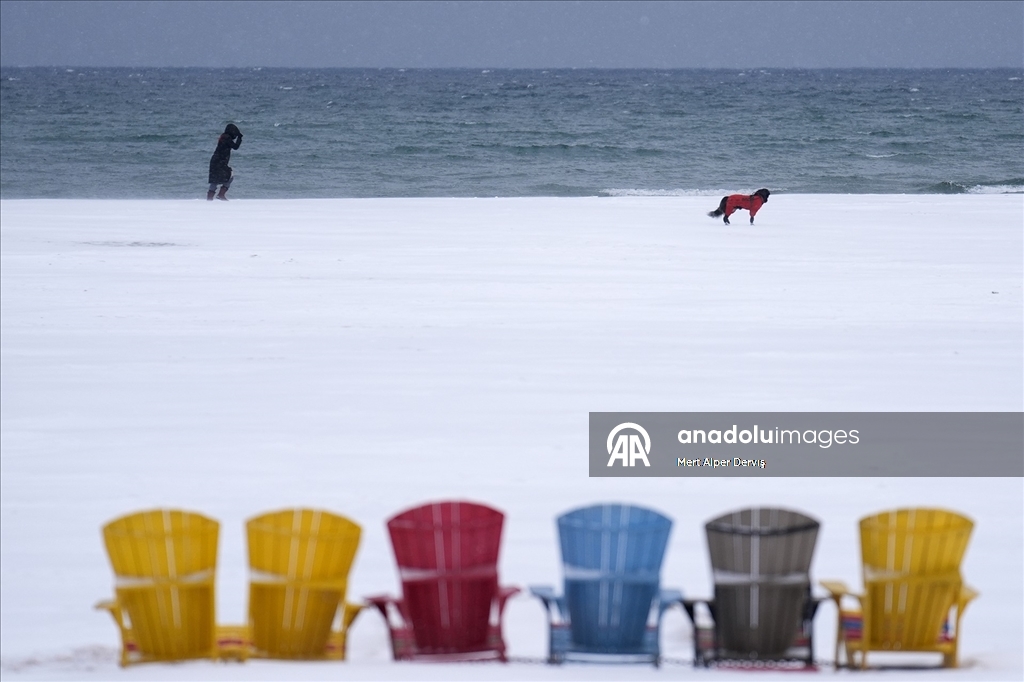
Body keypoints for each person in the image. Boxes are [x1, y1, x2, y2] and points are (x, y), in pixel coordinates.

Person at [207, 124, 243, 200]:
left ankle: (209, 199)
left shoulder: (223, 137)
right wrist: (240, 138)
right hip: (220, 162)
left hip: (215, 161)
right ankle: (221, 194)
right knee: (230, 176)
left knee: (215, 180)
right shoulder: (227, 138)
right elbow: (236, 147)